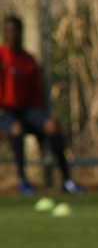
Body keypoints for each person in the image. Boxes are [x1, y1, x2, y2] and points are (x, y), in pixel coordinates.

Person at [0, 15, 84, 196]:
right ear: (4, 33)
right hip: (6, 111)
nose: (12, 34)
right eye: (9, 31)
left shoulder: (29, 60)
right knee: (16, 129)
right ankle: (22, 180)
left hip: (28, 110)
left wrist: (41, 117)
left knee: (52, 126)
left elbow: (36, 95)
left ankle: (67, 180)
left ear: (21, 32)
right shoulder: (1, 57)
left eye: (15, 30)